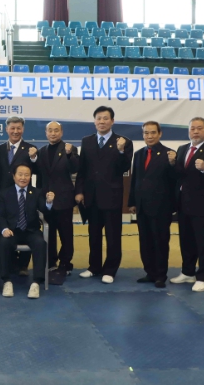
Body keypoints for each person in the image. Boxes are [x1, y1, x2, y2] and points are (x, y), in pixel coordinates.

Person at [75, 106, 133, 284]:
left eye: (105, 118)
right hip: (91, 196)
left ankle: (110, 270)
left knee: (113, 236)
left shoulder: (123, 142)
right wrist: (79, 191)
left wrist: (121, 150)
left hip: (112, 196)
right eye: (99, 118)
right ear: (94, 121)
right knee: (93, 235)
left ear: (112, 121)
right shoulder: (87, 141)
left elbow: (124, 168)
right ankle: (94, 267)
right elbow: (82, 170)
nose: (102, 121)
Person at [171, 117, 204, 292]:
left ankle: (203, 277)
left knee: (203, 242)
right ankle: (188, 272)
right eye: (192, 128)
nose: (196, 131)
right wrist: (173, 163)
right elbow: (180, 174)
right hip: (183, 202)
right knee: (186, 240)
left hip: (203, 205)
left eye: (200, 128)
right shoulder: (182, 149)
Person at [128, 121, 177, 288]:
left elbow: (175, 180)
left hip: (161, 206)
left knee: (160, 241)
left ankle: (160, 275)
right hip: (142, 205)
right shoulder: (139, 154)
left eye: (153, 133)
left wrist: (173, 163)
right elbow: (135, 179)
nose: (149, 136)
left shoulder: (169, 154)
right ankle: (150, 272)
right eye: (146, 133)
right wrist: (132, 201)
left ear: (160, 134)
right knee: (145, 241)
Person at [0, 164, 53, 299]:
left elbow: (44, 209)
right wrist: (4, 229)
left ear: (30, 177)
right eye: (20, 174)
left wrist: (49, 202)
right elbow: (0, 215)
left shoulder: (36, 192)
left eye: (26, 175)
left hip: (31, 230)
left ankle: (36, 282)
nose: (23, 178)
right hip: (12, 230)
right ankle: (6, 281)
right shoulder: (5, 193)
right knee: (4, 243)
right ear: (14, 176)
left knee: (40, 244)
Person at [31, 121, 78, 276]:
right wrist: (33, 158)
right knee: (48, 233)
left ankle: (66, 263)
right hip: (46, 200)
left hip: (64, 199)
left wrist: (69, 154)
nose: (53, 133)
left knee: (66, 234)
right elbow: (37, 173)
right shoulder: (41, 151)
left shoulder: (70, 148)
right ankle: (51, 262)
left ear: (61, 132)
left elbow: (75, 168)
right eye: (50, 130)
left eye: (56, 130)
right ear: (46, 133)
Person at [0, 116, 37, 275]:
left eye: (19, 128)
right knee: (8, 229)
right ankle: (10, 263)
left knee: (26, 225)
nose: (15, 131)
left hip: (24, 195)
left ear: (23, 129)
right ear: (7, 129)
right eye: (12, 128)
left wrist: (34, 158)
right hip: (5, 195)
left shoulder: (31, 149)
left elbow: (37, 169)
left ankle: (23, 265)